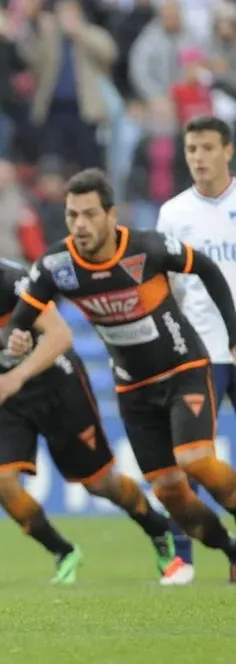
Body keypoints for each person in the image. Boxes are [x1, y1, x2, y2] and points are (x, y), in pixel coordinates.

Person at [0, 206, 181, 585]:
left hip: (56, 381)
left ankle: (158, 528)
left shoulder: (11, 281)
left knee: (100, 483)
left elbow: (61, 336)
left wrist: (18, 376)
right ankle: (63, 551)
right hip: (8, 389)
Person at [9, 168, 236, 585]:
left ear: (112, 216)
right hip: (133, 390)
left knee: (195, 460)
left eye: (89, 214)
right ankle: (231, 550)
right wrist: (19, 337)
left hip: (183, 369)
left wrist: (233, 335)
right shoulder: (57, 266)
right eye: (72, 214)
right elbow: (24, 315)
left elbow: (205, 268)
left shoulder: (146, 248)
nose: (79, 225)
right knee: (170, 492)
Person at [156, 114, 236, 577]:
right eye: (191, 150)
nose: (199, 158)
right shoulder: (174, 213)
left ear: (227, 151)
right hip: (201, 350)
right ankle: (181, 557)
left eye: (207, 148)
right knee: (189, 458)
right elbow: (168, 287)